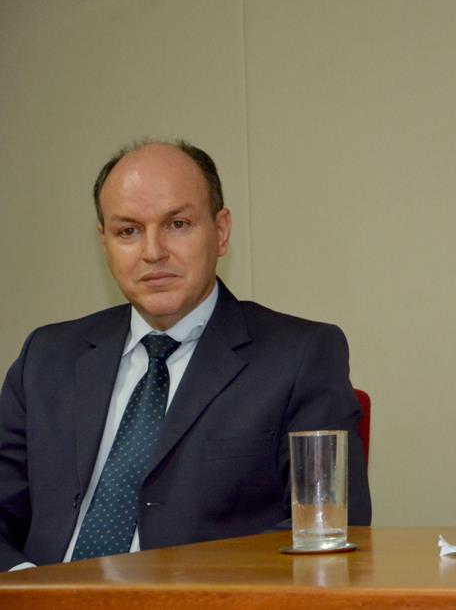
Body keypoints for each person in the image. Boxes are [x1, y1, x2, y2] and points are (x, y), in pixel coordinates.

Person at [0, 140, 371, 570]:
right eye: (128, 231)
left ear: (221, 230)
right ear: (104, 242)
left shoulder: (300, 356)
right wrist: (28, 588)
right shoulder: (46, 358)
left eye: (177, 224)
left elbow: (326, 534)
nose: (153, 252)